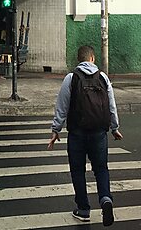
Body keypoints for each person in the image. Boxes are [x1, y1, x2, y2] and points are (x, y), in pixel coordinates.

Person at [48, 45, 121, 227]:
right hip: (99, 133)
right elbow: (111, 106)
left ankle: (83, 209)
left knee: (77, 170)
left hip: (77, 133)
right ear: (93, 59)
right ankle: (105, 199)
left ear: (79, 60)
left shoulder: (71, 78)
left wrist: (55, 129)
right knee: (101, 169)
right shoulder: (103, 78)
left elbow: (62, 107)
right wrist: (115, 127)